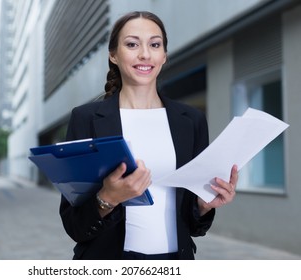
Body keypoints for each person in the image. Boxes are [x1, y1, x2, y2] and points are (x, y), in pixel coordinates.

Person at [59, 11, 238, 260]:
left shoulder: (191, 121)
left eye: (155, 44)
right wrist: (109, 197)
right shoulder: (86, 119)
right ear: (113, 55)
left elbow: (195, 226)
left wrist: (204, 205)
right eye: (132, 44)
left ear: (164, 55)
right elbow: (74, 225)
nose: (145, 54)